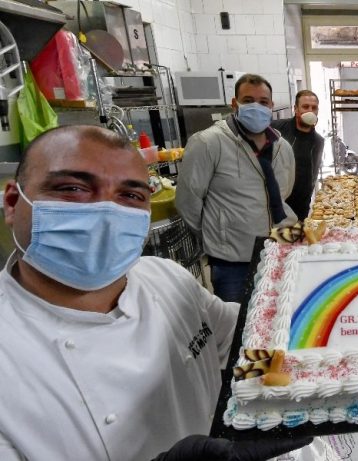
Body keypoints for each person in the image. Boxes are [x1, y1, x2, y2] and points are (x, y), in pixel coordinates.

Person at [0, 125, 310, 460]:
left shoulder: (164, 276)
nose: (106, 212)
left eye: (130, 195)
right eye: (72, 188)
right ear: (13, 203)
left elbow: (244, 344)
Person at [176, 73, 297, 303]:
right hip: (233, 261)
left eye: (263, 102)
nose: (256, 107)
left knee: (277, 318)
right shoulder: (209, 143)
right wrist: (218, 236)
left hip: (279, 247)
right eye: (248, 100)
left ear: (271, 106)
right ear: (235, 104)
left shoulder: (282, 147)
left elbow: (283, 193)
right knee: (239, 327)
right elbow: (187, 201)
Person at [272, 90, 325, 220]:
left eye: (314, 108)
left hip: (300, 208)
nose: (310, 111)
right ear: (296, 109)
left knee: (294, 240)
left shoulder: (318, 141)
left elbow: (312, 176)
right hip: (273, 205)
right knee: (271, 240)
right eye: (305, 107)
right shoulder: (276, 129)